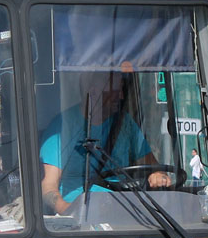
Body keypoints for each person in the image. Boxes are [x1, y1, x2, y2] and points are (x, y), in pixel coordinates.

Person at [39, 70, 170, 214]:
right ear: (93, 92)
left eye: (120, 90)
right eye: (114, 91)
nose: (120, 96)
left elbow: (152, 165)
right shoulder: (63, 127)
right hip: (82, 215)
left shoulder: (124, 123)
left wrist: (157, 174)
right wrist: (67, 210)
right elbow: (48, 186)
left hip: (123, 210)